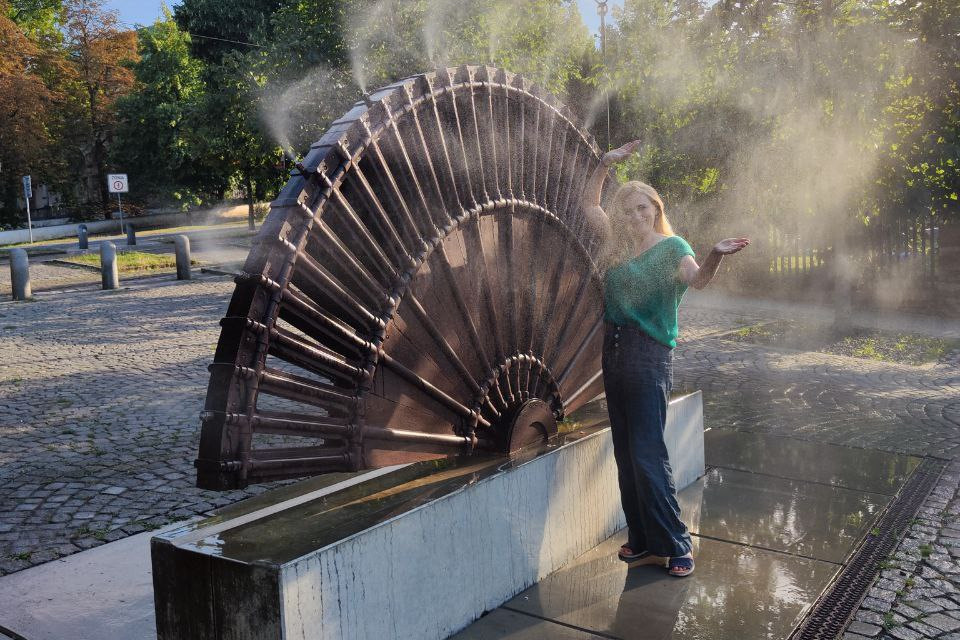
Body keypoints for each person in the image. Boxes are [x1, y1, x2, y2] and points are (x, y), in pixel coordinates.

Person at [582, 140, 750, 578]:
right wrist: (604, 164)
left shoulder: (672, 247)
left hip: (647, 355)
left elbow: (698, 281)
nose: (636, 216)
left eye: (644, 208)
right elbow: (588, 205)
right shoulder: (617, 247)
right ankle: (641, 540)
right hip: (614, 353)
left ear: (656, 209)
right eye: (629, 210)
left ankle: (677, 544)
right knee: (624, 453)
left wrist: (715, 254)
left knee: (647, 454)